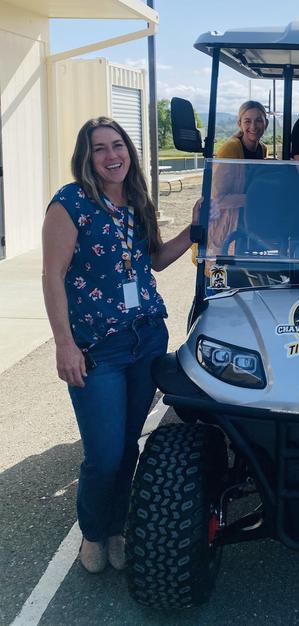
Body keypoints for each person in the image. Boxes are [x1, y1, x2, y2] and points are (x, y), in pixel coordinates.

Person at [41, 117, 201, 574]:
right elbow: (52, 275)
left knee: (129, 443)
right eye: (100, 149)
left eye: (118, 146)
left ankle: (117, 528)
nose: (112, 155)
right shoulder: (70, 203)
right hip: (99, 347)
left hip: (146, 336)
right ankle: (93, 532)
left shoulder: (135, 199)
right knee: (104, 453)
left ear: (129, 150)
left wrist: (192, 231)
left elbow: (154, 260)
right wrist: (63, 344)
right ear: (86, 157)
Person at [207, 100, 268, 254]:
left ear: (266, 124)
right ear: (239, 123)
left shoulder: (262, 150)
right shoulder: (231, 149)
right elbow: (218, 198)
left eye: (258, 120)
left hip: (247, 223)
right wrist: (257, 198)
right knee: (223, 272)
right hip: (226, 223)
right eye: (247, 121)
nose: (253, 126)